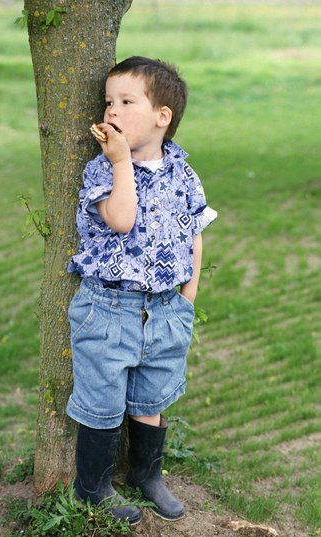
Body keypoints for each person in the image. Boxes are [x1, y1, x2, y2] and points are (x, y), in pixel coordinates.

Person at [66, 56, 217, 525]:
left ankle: (147, 474)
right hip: (109, 307)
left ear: (162, 116)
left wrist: (188, 296)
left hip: (167, 308)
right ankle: (92, 486)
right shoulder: (102, 170)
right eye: (108, 102)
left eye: (126, 102)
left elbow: (195, 231)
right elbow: (122, 218)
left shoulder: (184, 174)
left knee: (152, 396)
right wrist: (119, 161)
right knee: (104, 399)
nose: (112, 111)